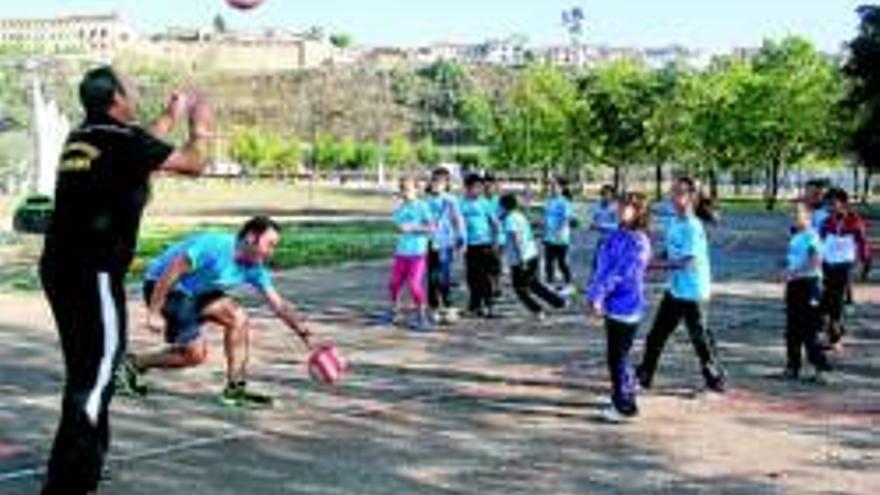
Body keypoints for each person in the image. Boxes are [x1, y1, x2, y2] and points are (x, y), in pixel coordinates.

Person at [39, 66, 213, 495]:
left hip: (62, 267)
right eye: (131, 87)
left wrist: (169, 117)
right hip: (92, 271)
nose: (137, 91)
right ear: (117, 98)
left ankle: (83, 467)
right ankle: (69, 485)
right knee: (96, 377)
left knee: (86, 372)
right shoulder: (124, 141)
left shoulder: (85, 137)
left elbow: (142, 148)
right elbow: (192, 163)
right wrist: (200, 125)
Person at [117, 217, 313, 406]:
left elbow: (278, 304)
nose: (272, 251)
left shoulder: (254, 268)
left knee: (238, 317)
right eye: (269, 244)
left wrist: (303, 332)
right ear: (251, 238)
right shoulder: (214, 247)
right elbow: (172, 272)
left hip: (199, 292)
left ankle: (235, 388)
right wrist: (154, 311)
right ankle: (132, 364)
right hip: (167, 288)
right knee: (195, 355)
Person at [636, 177, 726, 394]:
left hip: (694, 291)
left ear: (692, 197)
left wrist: (656, 265)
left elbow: (688, 260)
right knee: (656, 335)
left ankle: (715, 378)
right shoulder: (674, 222)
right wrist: (650, 260)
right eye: (673, 192)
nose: (674, 197)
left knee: (700, 338)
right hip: (676, 289)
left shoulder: (693, 227)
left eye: (680, 193)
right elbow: (671, 250)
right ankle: (644, 376)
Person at [586, 192, 653, 422]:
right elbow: (602, 267)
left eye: (627, 207)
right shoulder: (617, 234)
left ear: (638, 212)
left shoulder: (637, 241)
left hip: (626, 305)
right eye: (621, 205)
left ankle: (625, 406)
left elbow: (621, 275)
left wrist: (599, 296)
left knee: (619, 357)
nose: (621, 209)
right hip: (612, 304)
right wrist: (595, 293)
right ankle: (620, 394)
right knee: (616, 355)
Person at [782, 202, 832, 382]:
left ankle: (820, 370)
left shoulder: (812, 235)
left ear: (808, 217)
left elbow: (816, 260)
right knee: (792, 329)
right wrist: (788, 270)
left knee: (810, 329)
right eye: (792, 214)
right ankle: (792, 367)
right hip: (795, 285)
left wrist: (795, 271)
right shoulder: (796, 236)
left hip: (809, 285)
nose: (794, 217)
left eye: (798, 214)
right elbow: (793, 259)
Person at [818, 188, 871, 347]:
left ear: (843, 203)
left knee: (837, 297)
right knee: (826, 298)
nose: (829, 206)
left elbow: (862, 242)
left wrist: (865, 262)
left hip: (845, 265)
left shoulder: (854, 220)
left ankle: (834, 333)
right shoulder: (826, 222)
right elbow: (819, 242)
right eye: (827, 203)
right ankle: (833, 328)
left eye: (833, 203)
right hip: (827, 263)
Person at [500, 193, 566, 320]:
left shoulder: (510, 220)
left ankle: (537, 310)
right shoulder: (520, 216)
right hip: (532, 254)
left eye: (500, 206)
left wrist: (521, 260)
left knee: (520, 289)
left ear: (505, 206)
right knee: (534, 284)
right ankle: (558, 302)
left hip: (521, 258)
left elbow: (517, 239)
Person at [385, 176, 436, 331]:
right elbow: (396, 225)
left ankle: (422, 316)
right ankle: (396, 312)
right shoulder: (400, 208)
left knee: (414, 285)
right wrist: (400, 228)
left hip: (417, 253)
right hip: (401, 253)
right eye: (402, 189)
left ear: (416, 190)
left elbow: (432, 228)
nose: (405, 192)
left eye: (408, 189)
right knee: (393, 284)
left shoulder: (422, 206)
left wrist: (414, 228)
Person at [425, 167, 465, 323]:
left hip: (445, 242)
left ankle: (448, 306)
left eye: (440, 181)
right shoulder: (426, 200)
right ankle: (433, 307)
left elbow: (457, 219)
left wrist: (461, 237)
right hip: (429, 242)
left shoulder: (451, 200)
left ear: (446, 183)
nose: (436, 184)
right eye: (434, 180)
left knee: (444, 276)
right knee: (432, 276)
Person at [460, 173, 500, 317]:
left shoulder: (485, 203)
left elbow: (494, 223)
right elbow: (458, 224)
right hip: (469, 246)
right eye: (475, 187)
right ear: (467, 188)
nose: (478, 190)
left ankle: (489, 306)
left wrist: (495, 242)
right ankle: (474, 306)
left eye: (480, 187)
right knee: (472, 277)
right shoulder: (461, 204)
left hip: (485, 244)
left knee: (485, 277)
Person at [543, 177, 576, 295]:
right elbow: (546, 218)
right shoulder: (549, 201)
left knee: (562, 263)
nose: (552, 188)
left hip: (561, 239)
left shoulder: (565, 202)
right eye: (551, 186)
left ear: (562, 188)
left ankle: (569, 284)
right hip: (548, 237)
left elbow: (566, 219)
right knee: (548, 263)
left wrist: (558, 231)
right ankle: (549, 284)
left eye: (555, 186)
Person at [483, 171, 505, 301]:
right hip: (484, 238)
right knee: (486, 264)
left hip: (499, 238)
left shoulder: (499, 200)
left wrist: (495, 220)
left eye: (491, 183)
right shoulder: (481, 200)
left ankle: (497, 286)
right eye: (486, 183)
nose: (488, 186)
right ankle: (490, 287)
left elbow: (504, 215)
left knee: (496, 263)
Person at [589, 184, 618, 272]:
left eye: (607, 194)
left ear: (612, 195)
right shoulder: (597, 206)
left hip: (613, 239)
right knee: (596, 263)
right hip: (601, 239)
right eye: (603, 194)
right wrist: (593, 225)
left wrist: (600, 226)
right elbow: (594, 219)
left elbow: (617, 225)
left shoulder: (616, 207)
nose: (605, 196)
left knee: (611, 265)